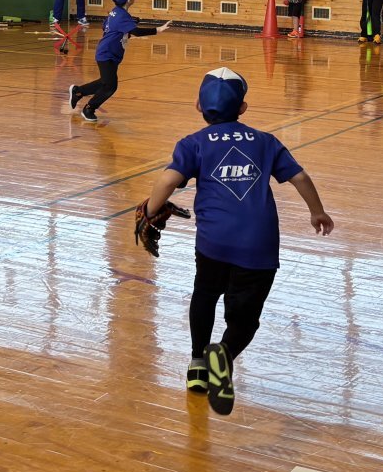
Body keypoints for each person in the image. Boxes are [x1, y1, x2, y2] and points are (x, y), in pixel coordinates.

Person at [139, 67, 334, 415]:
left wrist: (149, 211)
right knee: (245, 320)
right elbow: (300, 177)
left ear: (198, 106)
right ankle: (224, 354)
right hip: (259, 244)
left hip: (213, 241)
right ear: (243, 108)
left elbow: (168, 181)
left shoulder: (193, 143)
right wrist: (316, 211)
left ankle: (198, 364)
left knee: (205, 294)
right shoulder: (265, 141)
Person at [68, 0, 171, 123]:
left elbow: (106, 26)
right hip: (107, 55)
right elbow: (136, 32)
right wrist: (157, 30)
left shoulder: (115, 12)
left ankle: (78, 92)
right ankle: (89, 108)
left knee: (105, 82)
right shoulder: (123, 16)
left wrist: (124, 30)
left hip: (110, 53)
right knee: (111, 86)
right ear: (129, 0)